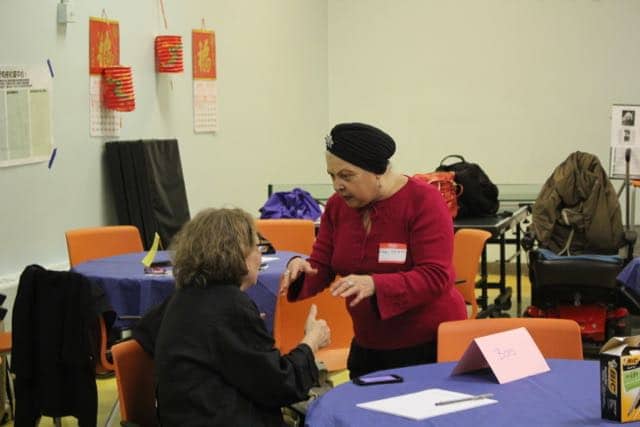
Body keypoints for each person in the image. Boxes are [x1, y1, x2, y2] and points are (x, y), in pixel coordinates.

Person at [280, 122, 467, 379]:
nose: (337, 185)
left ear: (378, 172)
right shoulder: (337, 207)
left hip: (427, 344)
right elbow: (322, 264)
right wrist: (300, 269)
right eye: (332, 176)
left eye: (346, 176)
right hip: (369, 343)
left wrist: (374, 284)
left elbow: (436, 276)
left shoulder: (424, 201)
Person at [155, 208, 331, 426]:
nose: (260, 256)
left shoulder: (183, 296)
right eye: (257, 247)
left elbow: (145, 337)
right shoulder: (230, 306)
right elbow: (281, 386)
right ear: (238, 254)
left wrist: (242, 334)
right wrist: (311, 342)